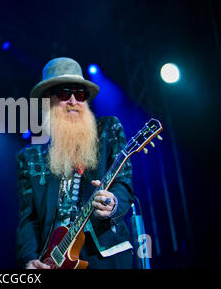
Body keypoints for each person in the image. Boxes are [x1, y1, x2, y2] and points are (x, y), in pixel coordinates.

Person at [16, 57, 135, 269]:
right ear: (47, 100)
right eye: (64, 93)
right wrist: (29, 258)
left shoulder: (107, 130)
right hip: (55, 259)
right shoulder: (30, 158)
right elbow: (28, 219)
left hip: (105, 255)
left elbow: (124, 183)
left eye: (80, 94)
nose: (73, 100)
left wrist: (113, 203)